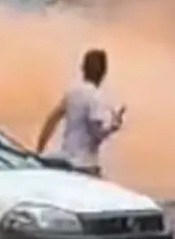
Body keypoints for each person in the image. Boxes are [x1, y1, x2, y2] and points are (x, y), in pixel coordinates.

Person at [35, 49, 124, 177]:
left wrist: (39, 149)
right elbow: (97, 134)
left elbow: (52, 119)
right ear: (104, 72)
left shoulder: (72, 93)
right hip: (85, 165)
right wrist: (114, 126)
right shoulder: (96, 97)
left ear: (82, 68)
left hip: (66, 160)